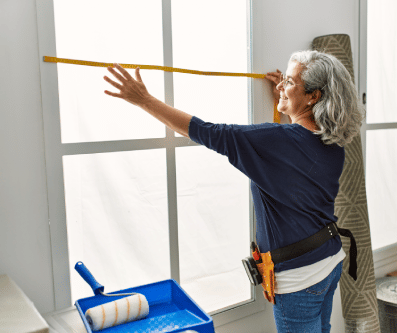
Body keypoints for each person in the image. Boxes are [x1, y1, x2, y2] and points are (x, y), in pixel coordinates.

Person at [103, 50, 364, 333]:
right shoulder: (331, 145)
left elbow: (209, 131)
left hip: (299, 280)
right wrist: (284, 98)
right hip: (329, 259)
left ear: (313, 96)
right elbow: (285, 155)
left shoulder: (279, 141)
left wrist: (144, 100)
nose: (279, 86)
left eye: (288, 81)